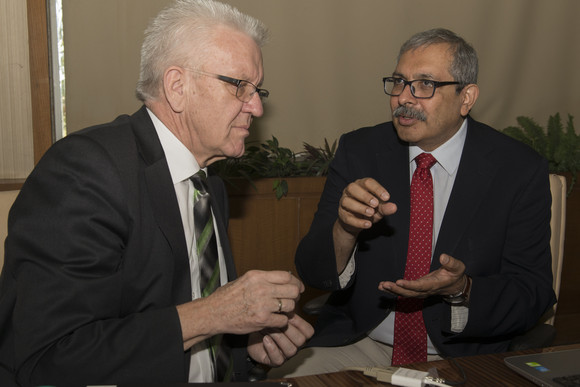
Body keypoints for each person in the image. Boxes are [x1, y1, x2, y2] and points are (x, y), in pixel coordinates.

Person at [0, 0, 314, 385]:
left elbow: (181, 329)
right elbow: (51, 356)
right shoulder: (85, 171)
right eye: (239, 86)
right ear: (177, 87)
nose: (256, 107)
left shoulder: (209, 181)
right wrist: (217, 314)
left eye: (257, 89)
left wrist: (245, 343)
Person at [268, 28, 556, 378]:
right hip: (362, 342)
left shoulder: (517, 169)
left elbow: (532, 293)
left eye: (425, 85)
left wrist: (461, 289)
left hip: (463, 353)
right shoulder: (361, 152)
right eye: (399, 82)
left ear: (466, 97)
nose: (404, 98)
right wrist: (344, 228)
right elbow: (313, 270)